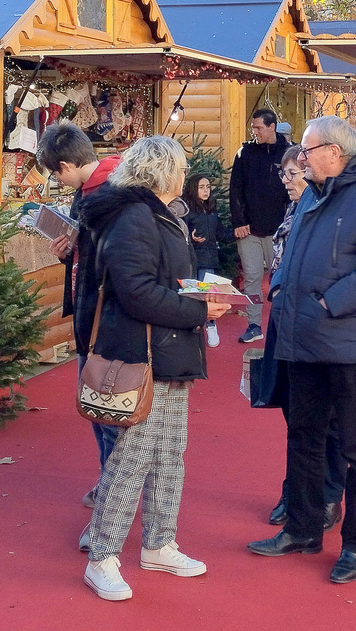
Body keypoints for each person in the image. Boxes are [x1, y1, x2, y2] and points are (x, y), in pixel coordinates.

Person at [248, 116, 356, 585]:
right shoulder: (314, 193)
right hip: (302, 340)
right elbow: (291, 252)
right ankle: (302, 529)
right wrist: (280, 286)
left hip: (348, 343)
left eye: (307, 148)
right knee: (303, 436)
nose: (299, 156)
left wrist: (327, 303)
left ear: (333, 153)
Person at [74, 137, 231, 601]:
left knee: (169, 453)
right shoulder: (135, 216)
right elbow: (136, 291)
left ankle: (160, 542)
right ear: (168, 173)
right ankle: (102, 556)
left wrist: (195, 295)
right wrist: (198, 310)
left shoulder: (151, 213)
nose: (185, 175)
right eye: (181, 168)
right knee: (133, 456)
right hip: (145, 352)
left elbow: (151, 282)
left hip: (166, 351)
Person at [37, 122, 122, 505]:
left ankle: (115, 487)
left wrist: (79, 246)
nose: (58, 179)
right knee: (96, 408)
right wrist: (69, 248)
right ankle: (110, 480)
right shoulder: (91, 190)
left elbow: (115, 258)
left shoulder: (109, 192)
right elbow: (88, 249)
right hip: (90, 311)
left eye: (56, 172)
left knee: (106, 410)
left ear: (67, 165)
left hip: (105, 317)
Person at [265, 145, 347, 529]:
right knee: (294, 414)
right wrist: (277, 290)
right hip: (286, 320)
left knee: (325, 419)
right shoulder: (293, 209)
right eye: (283, 175)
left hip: (317, 323)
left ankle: (329, 496)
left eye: (293, 175)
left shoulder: (322, 209)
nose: (286, 182)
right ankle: (295, 491)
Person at [229, 108, 290, 344]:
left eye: (259, 128)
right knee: (252, 279)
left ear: (272, 127)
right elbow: (235, 189)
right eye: (253, 128)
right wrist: (238, 222)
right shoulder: (245, 153)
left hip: (279, 231)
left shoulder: (288, 153)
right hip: (250, 229)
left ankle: (282, 327)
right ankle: (254, 325)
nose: (255, 132)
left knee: (280, 279)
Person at [182, 173, 223, 347]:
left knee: (209, 294)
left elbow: (220, 232)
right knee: (193, 294)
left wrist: (238, 233)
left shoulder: (212, 209)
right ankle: (192, 328)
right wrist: (190, 239)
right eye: (201, 187)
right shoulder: (186, 210)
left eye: (208, 187)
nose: (206, 191)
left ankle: (211, 326)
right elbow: (179, 234)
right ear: (193, 188)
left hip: (209, 259)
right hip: (191, 259)